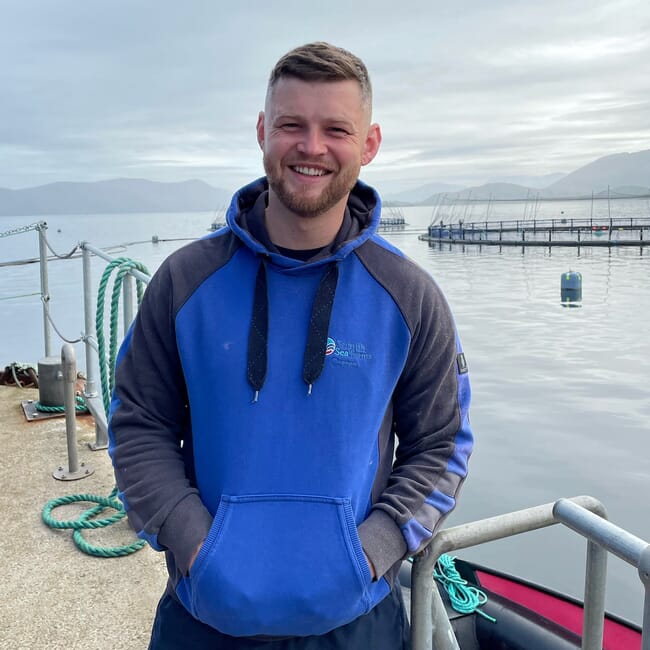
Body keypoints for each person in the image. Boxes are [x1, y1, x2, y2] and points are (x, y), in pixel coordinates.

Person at [109, 41, 473, 650]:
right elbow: (138, 424)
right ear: (261, 131)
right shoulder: (184, 281)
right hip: (204, 618)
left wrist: (373, 551)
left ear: (370, 143)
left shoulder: (409, 295)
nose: (312, 147)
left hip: (355, 622)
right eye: (291, 125)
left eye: (336, 128)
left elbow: (442, 443)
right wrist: (194, 540)